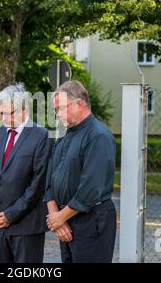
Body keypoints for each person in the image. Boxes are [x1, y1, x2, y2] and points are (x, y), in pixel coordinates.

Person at [44, 80, 117, 263]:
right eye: (56, 110)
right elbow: (49, 182)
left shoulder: (98, 136)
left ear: (79, 104)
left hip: (91, 220)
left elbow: (91, 188)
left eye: (61, 108)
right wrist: (56, 218)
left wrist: (60, 217)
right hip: (66, 221)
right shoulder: (64, 138)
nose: (58, 115)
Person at [0, 83, 53, 263]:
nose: (5, 118)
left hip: (27, 227)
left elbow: (38, 184)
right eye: (1, 113)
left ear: (24, 109)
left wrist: (10, 215)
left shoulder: (41, 135)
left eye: (10, 113)